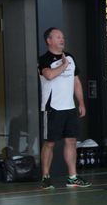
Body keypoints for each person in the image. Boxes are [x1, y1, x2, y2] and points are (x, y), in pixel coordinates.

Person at [38, 27, 91, 189]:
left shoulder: (70, 57)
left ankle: (72, 177)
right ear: (49, 40)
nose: (62, 39)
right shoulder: (44, 59)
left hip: (69, 107)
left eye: (63, 37)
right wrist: (64, 64)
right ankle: (45, 177)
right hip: (52, 108)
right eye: (58, 37)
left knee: (71, 141)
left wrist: (81, 103)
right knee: (50, 143)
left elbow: (76, 82)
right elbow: (49, 75)